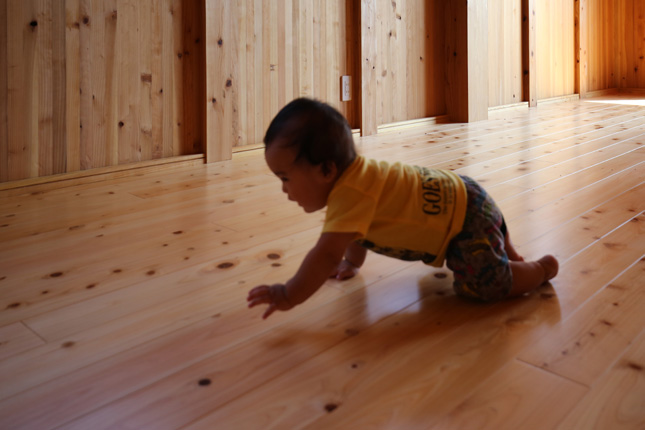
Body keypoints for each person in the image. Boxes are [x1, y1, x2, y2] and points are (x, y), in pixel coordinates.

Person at [247, 98, 558, 319]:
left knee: (484, 286)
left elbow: (325, 254)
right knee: (489, 250)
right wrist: (353, 264)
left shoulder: (350, 193)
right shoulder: (355, 184)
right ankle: (510, 257)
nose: (284, 189)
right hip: (466, 196)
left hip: (465, 221)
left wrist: (288, 293)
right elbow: (355, 233)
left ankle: (539, 269)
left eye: (285, 178)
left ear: (327, 170)